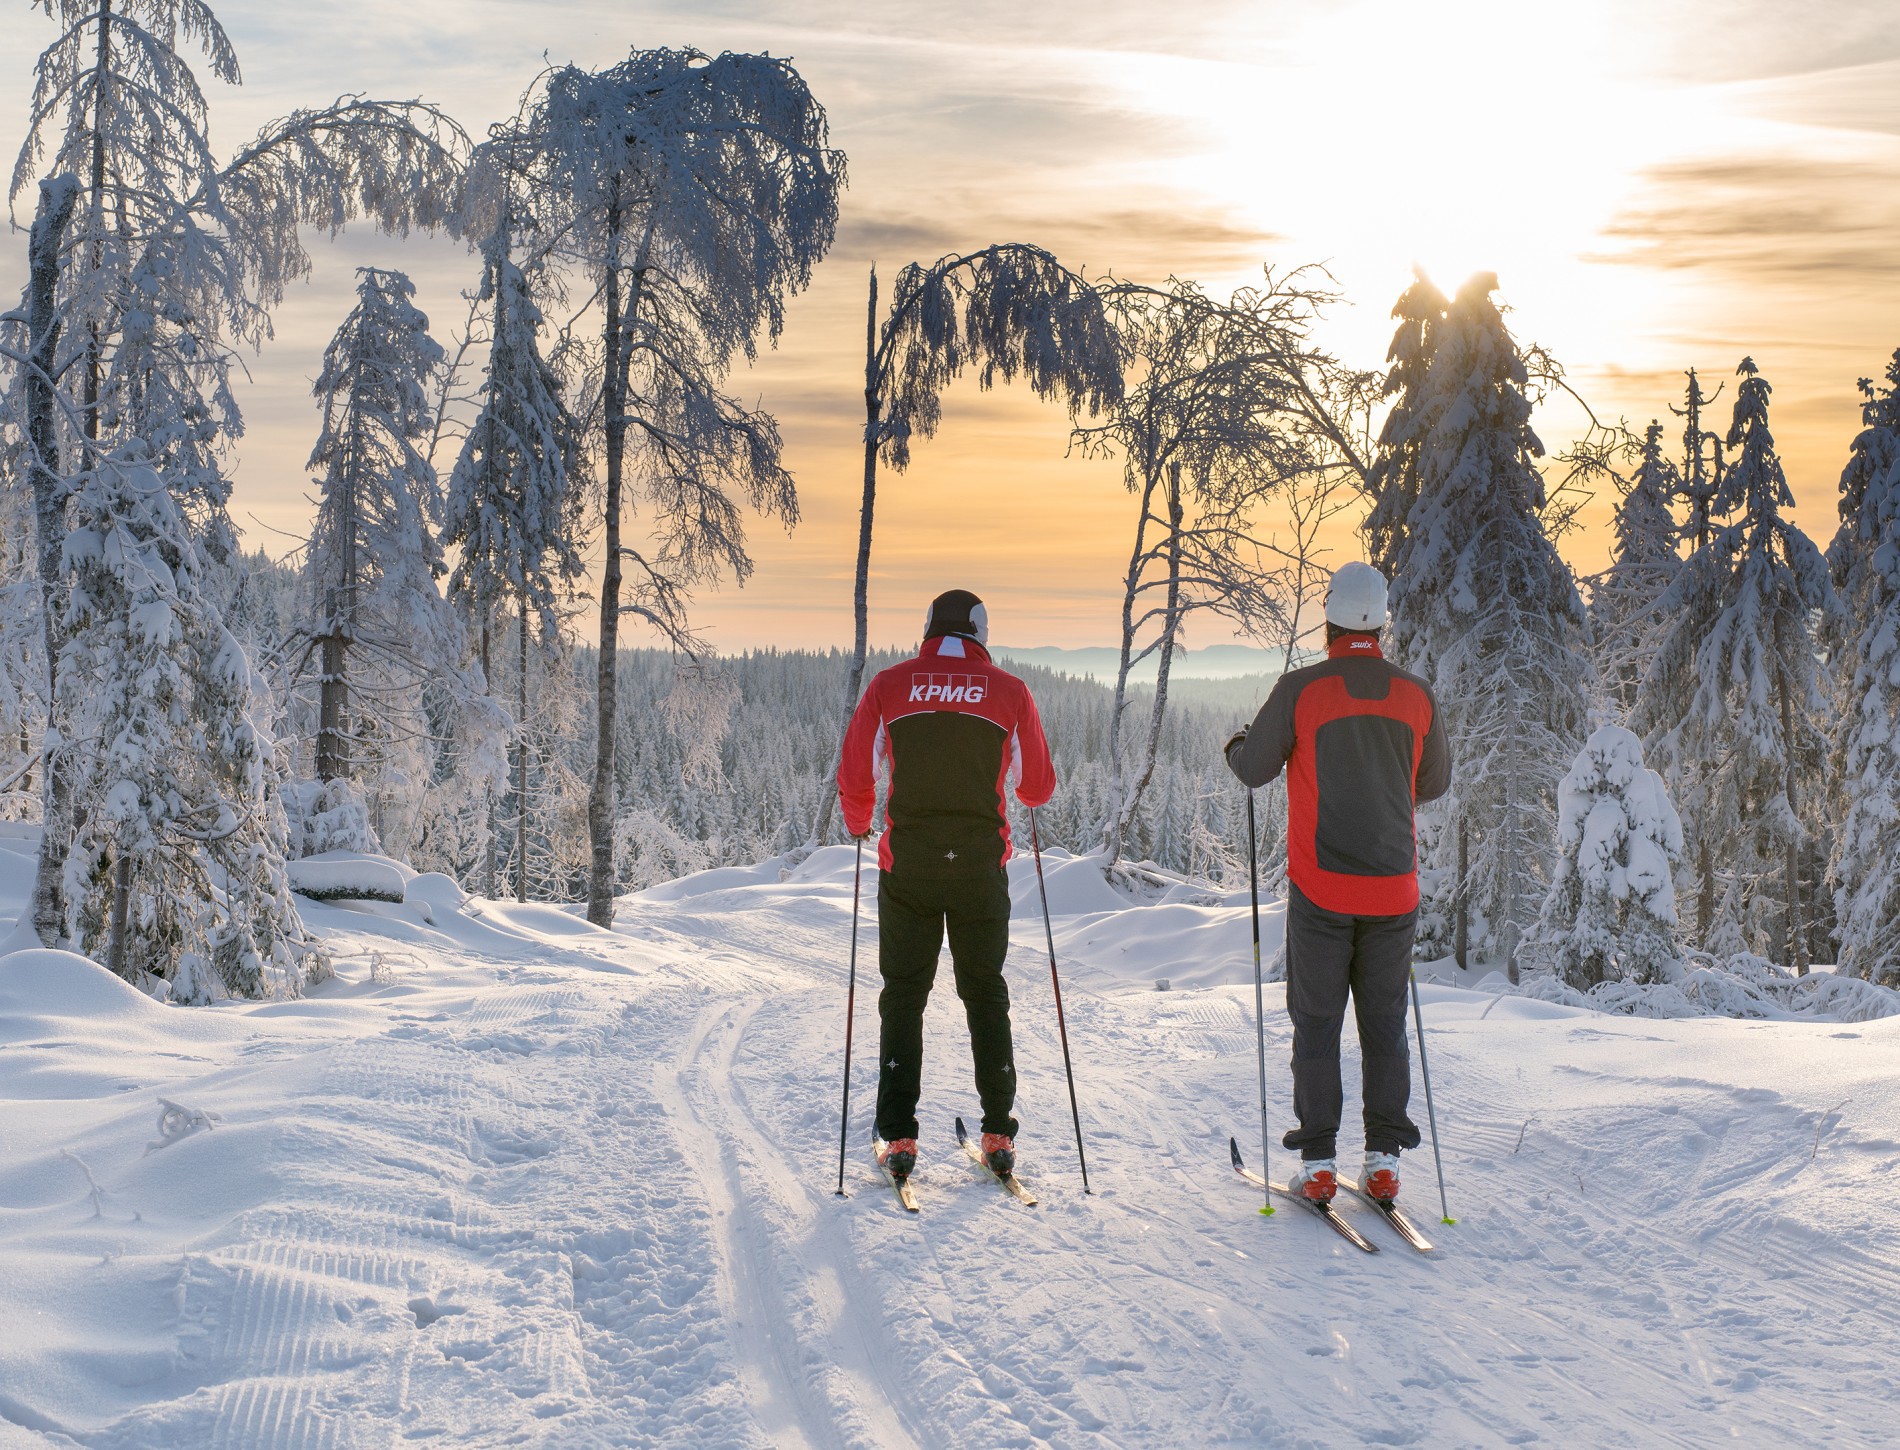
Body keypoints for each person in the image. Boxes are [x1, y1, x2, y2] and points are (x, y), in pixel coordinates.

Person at [1224, 561, 1450, 1204]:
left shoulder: (1301, 689)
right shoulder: (1416, 695)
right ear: (1381, 622)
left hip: (1322, 891)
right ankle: (1383, 1162)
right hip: (1394, 892)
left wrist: (1237, 744)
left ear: (1328, 619)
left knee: (1317, 1023)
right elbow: (1434, 782)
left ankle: (1319, 1163)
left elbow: (1253, 769)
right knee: (1385, 1023)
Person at [837, 589, 1056, 1184]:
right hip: (980, 869)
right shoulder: (1010, 692)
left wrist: (858, 823)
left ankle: (898, 1135)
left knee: (903, 996)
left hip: (908, 867)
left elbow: (855, 773)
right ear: (981, 633)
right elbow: (1036, 787)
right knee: (985, 993)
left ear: (929, 629)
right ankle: (998, 1132)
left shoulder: (890, 685)